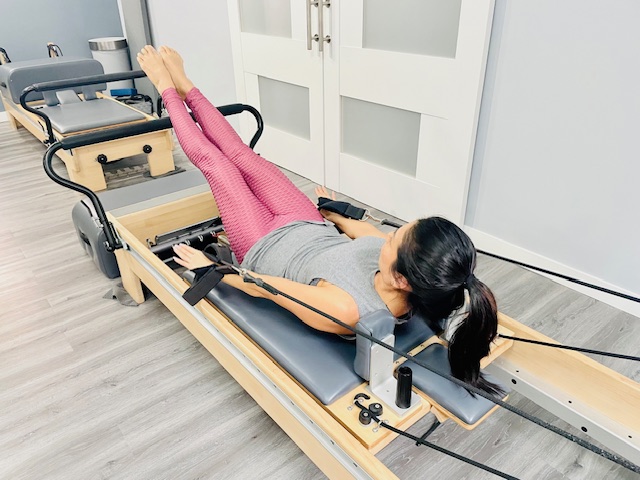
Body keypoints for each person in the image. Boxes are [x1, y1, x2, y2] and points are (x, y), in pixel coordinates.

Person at [137, 46, 502, 395]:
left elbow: (265, 287)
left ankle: (166, 88)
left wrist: (211, 268)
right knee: (243, 156)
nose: (387, 237)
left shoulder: (346, 308)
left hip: (261, 242)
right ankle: (187, 87)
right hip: (306, 222)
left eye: (394, 240)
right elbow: (363, 231)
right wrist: (331, 210)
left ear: (402, 280)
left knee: (219, 165)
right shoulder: (400, 266)